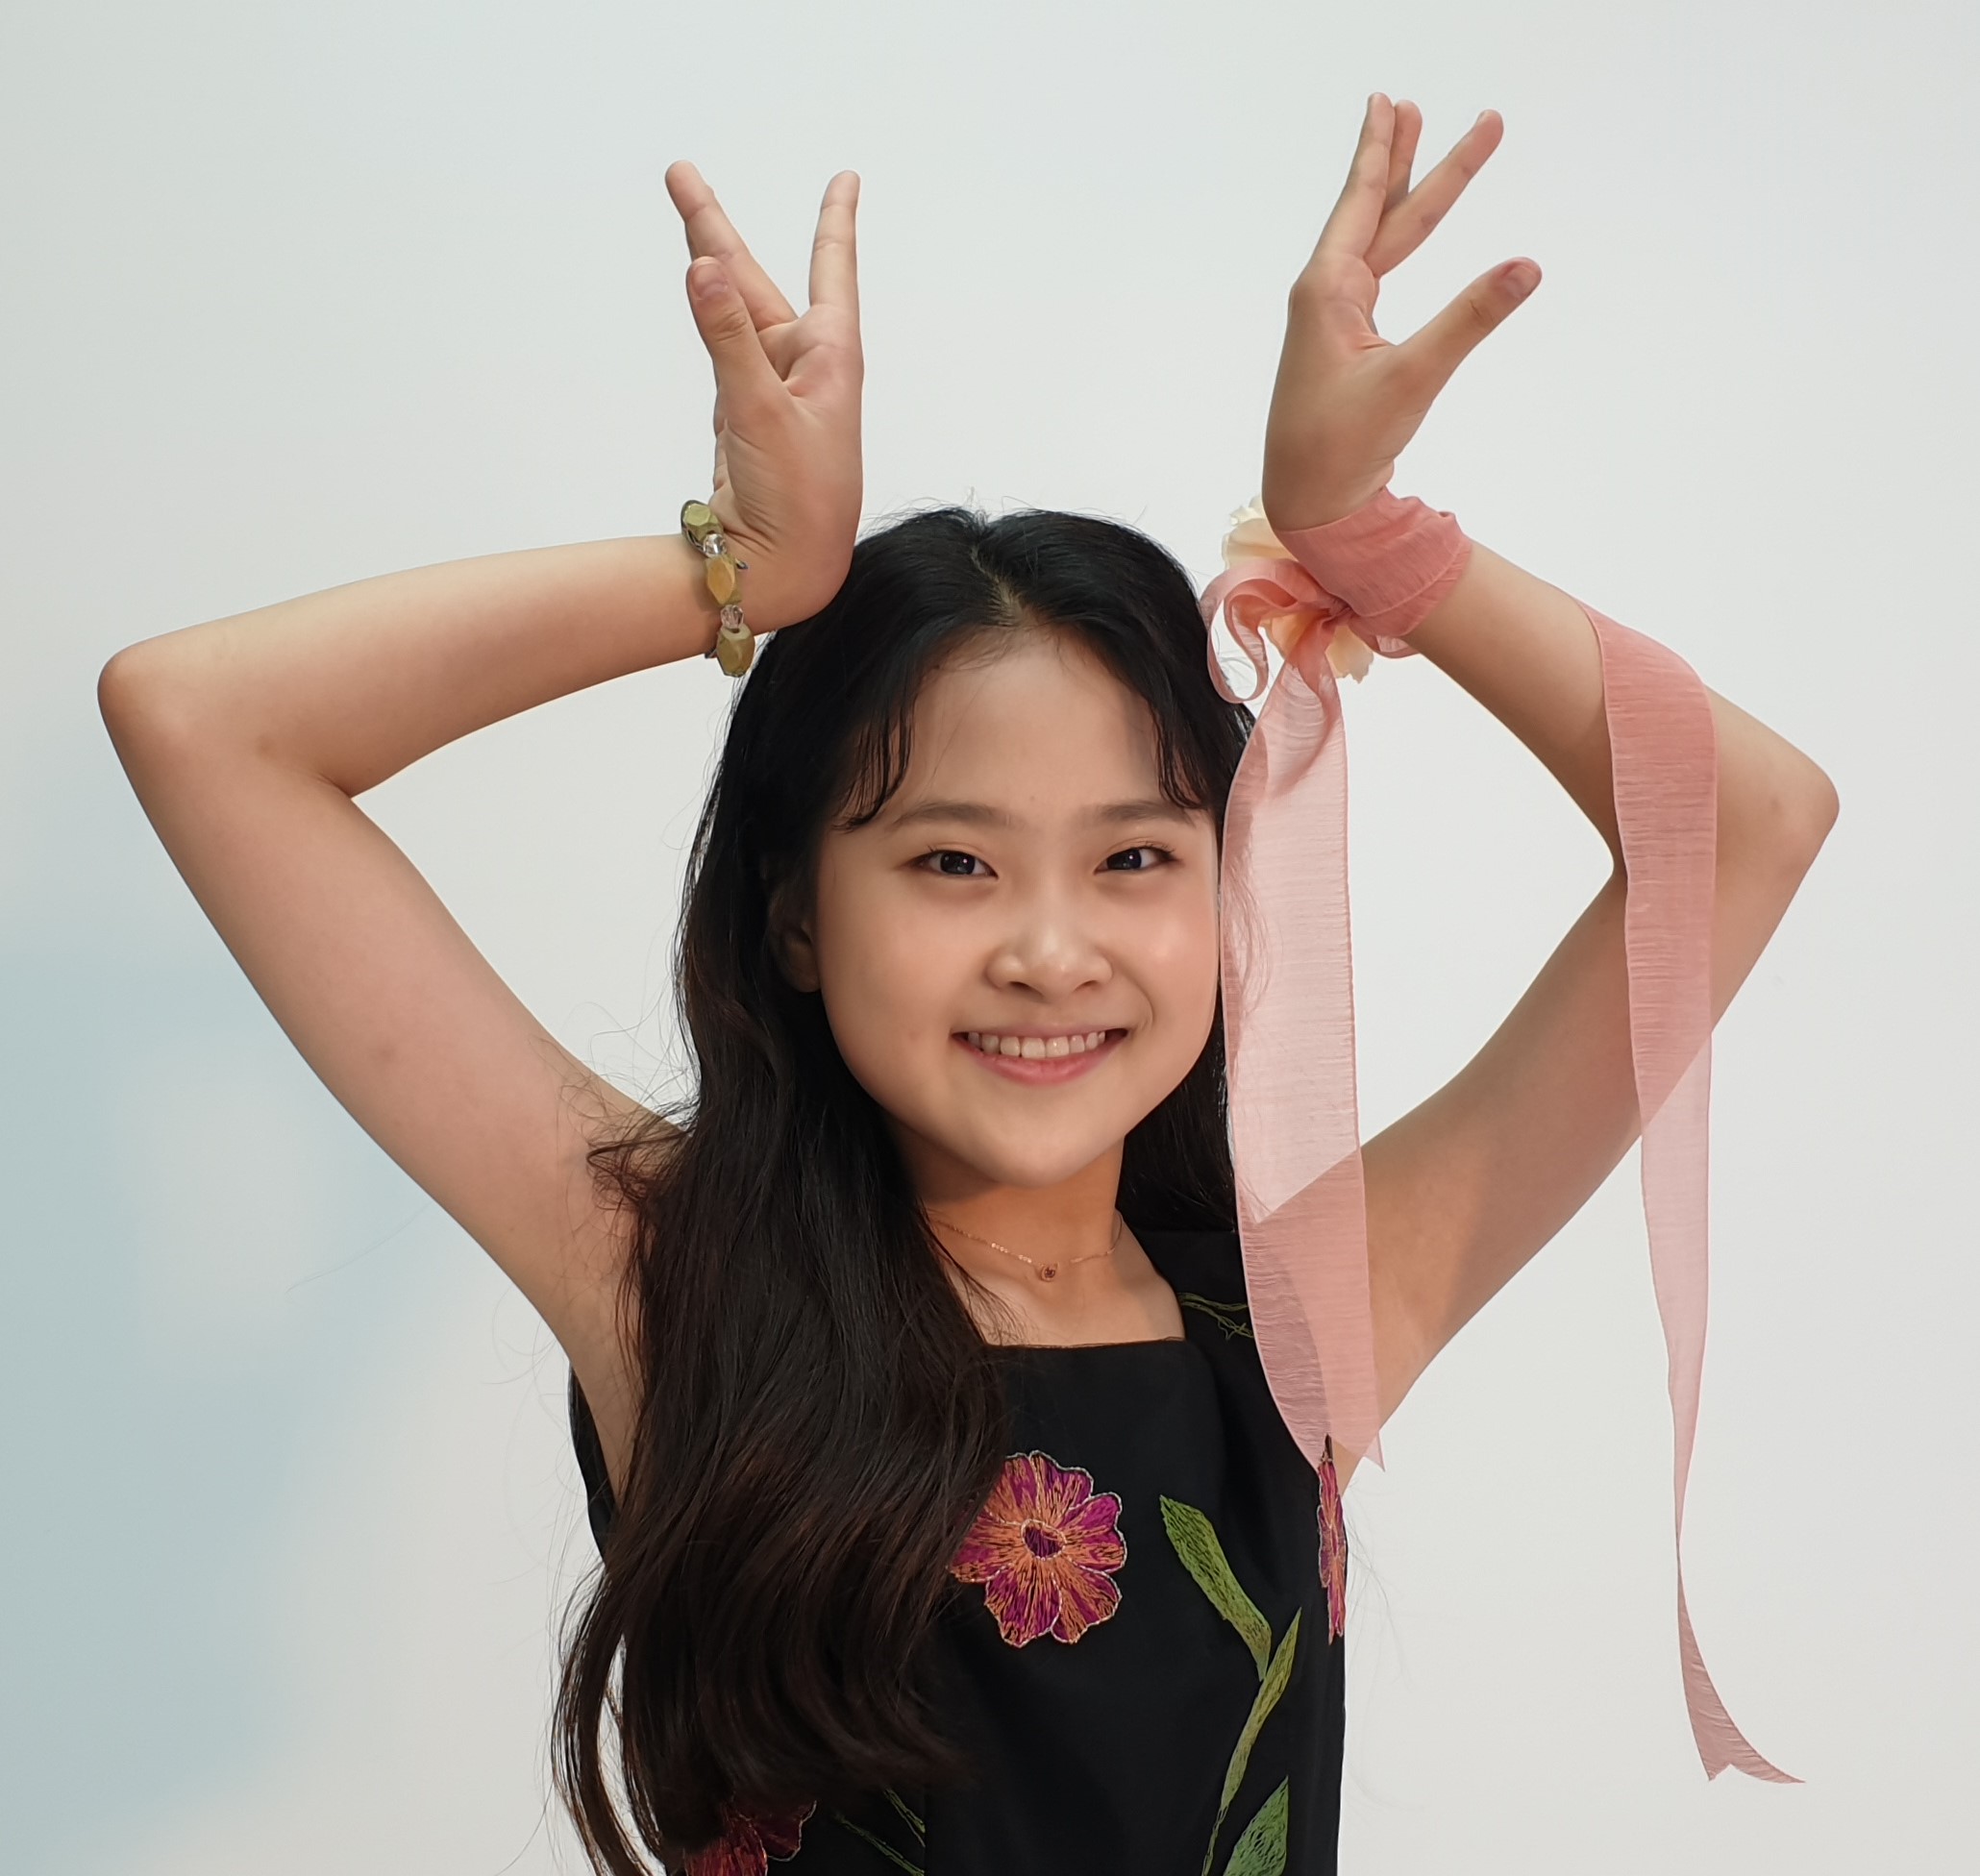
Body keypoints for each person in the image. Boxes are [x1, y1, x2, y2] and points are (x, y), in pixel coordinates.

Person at [96, 94, 1837, 1876]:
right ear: (794, 916)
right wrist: (734, 575)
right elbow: (206, 722)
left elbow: (1749, 825)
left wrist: (1366, 536)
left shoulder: (1315, 1311)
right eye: (952, 863)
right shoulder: (672, 1277)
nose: (1049, 949)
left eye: (1135, 859)